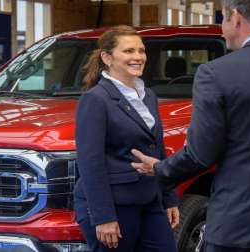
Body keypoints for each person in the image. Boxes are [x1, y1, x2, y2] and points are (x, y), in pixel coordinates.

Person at [131, 0, 250, 251]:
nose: (222, 28)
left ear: (236, 17)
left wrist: (161, 169)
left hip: (241, 227)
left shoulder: (217, 73)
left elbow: (201, 154)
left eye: (223, 19)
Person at [73, 25, 179, 252]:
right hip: (114, 206)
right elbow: (90, 163)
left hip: (149, 200)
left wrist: (169, 198)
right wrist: (103, 217)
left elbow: (157, 148)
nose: (138, 57)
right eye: (129, 51)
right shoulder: (95, 100)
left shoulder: (148, 95)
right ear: (107, 57)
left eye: (141, 51)